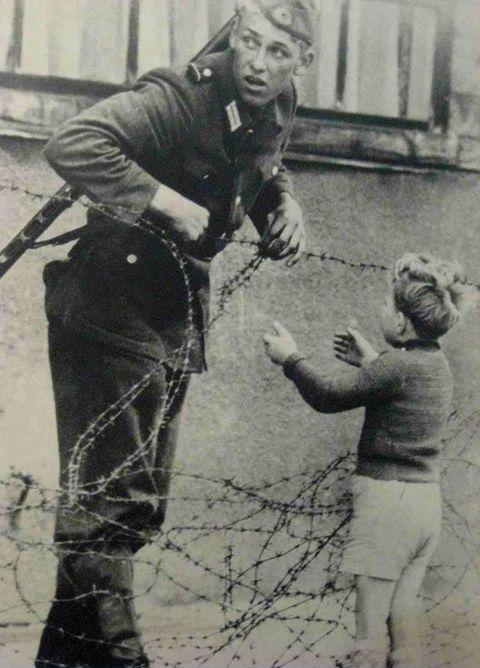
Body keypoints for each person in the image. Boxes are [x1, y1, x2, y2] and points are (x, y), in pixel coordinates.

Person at [35, 2, 317, 667]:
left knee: (130, 509)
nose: (256, 61)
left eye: (278, 51)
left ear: (302, 62)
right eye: (249, 42)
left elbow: (266, 163)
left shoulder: (277, 105)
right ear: (235, 36)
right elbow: (73, 142)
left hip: (172, 318)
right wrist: (166, 201)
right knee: (111, 506)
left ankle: (62, 659)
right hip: (109, 307)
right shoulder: (181, 94)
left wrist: (283, 205)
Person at [263, 253, 470, 668]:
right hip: (424, 504)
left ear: (400, 322)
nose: (381, 309)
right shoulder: (436, 365)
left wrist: (291, 359)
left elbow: (328, 396)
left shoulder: (395, 366)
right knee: (404, 611)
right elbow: (402, 388)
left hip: (386, 504)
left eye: (386, 305)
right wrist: (373, 362)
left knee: (369, 626)